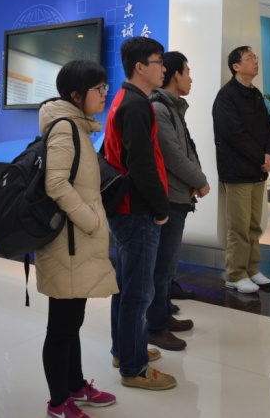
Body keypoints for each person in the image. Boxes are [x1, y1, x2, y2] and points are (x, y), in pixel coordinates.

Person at [37, 60, 119, 418]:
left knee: (72, 322)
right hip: (67, 244)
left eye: (105, 87)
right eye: (98, 89)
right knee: (61, 327)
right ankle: (58, 402)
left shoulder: (77, 126)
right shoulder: (64, 128)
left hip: (77, 243)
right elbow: (55, 184)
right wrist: (91, 221)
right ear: (75, 95)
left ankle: (75, 385)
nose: (104, 94)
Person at [105, 36, 177, 391]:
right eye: (158, 61)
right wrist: (161, 206)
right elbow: (141, 163)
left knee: (126, 286)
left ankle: (125, 351)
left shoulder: (125, 98)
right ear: (140, 66)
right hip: (136, 211)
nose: (164, 68)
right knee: (139, 292)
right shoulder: (136, 105)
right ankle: (134, 369)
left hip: (126, 208)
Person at [147, 51, 209, 352]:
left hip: (178, 195)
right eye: (187, 71)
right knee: (162, 266)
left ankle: (162, 315)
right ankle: (155, 327)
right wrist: (199, 180)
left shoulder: (172, 108)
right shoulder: (160, 109)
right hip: (169, 197)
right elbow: (173, 156)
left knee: (167, 265)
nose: (191, 78)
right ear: (175, 75)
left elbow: (186, 150)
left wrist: (194, 179)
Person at [212, 46, 270, 294]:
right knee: (239, 226)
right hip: (237, 171)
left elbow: (268, 126)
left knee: (253, 224)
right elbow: (234, 135)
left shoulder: (255, 94)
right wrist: (261, 157)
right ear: (236, 66)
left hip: (257, 169)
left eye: (255, 58)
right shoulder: (226, 97)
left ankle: (251, 267)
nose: (255, 61)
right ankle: (235, 274)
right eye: (249, 58)